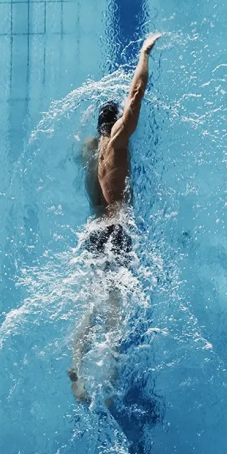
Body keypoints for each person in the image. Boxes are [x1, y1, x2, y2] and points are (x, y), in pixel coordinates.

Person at [68, 33, 161, 404]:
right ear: (115, 123)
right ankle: (108, 383)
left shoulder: (88, 150)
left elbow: (84, 138)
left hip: (93, 231)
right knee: (115, 310)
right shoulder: (117, 142)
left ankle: (76, 367)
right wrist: (143, 54)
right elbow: (135, 95)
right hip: (117, 232)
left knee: (89, 301)